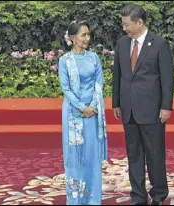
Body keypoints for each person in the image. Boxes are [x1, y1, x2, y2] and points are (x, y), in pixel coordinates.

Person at [112, 4, 174, 205]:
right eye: (123, 24)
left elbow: (167, 79)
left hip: (152, 111)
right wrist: (116, 103)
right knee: (134, 156)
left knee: (155, 155)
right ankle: (138, 196)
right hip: (128, 110)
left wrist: (166, 106)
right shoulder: (122, 44)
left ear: (140, 22)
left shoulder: (159, 44)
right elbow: (118, 76)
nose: (124, 28)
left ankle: (158, 195)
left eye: (127, 24)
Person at [58, 20, 107, 205]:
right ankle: (76, 200)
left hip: (93, 114)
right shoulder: (65, 61)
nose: (87, 38)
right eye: (83, 35)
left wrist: (92, 107)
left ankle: (93, 200)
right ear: (72, 38)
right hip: (73, 114)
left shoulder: (94, 58)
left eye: (88, 34)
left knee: (92, 157)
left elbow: (99, 84)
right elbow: (66, 89)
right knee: (76, 158)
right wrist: (81, 108)